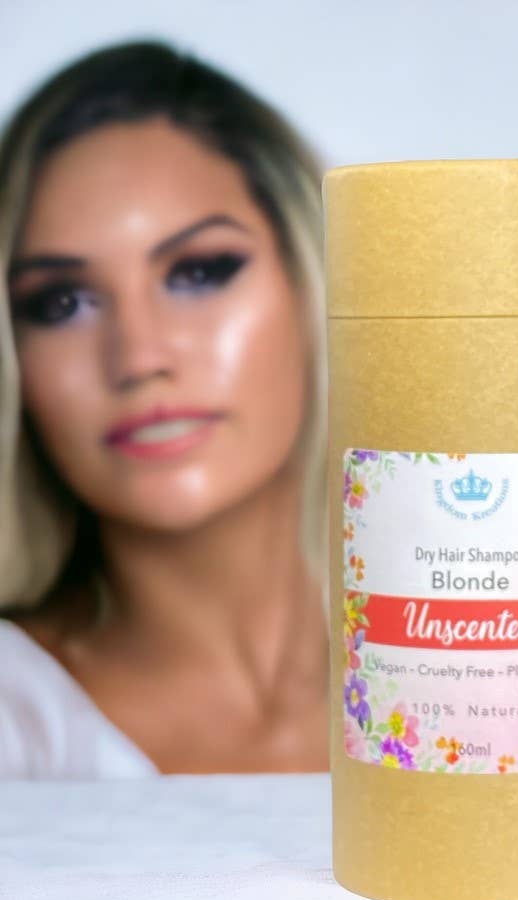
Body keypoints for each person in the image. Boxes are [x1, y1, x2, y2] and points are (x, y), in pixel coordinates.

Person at [0, 40, 331, 777]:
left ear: (311, 283)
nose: (140, 357)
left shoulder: (488, 672)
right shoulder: (17, 727)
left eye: (199, 272)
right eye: (62, 302)